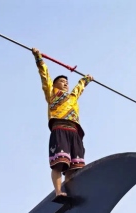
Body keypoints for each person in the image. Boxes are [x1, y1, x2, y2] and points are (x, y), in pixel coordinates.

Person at [32, 48, 94, 198]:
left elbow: (79, 88)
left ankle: (70, 193)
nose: (65, 84)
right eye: (62, 81)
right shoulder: (52, 93)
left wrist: (86, 79)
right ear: (55, 84)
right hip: (59, 129)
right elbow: (45, 76)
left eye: (67, 82)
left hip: (74, 131)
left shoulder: (72, 97)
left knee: (74, 167)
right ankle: (58, 191)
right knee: (59, 163)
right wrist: (38, 58)